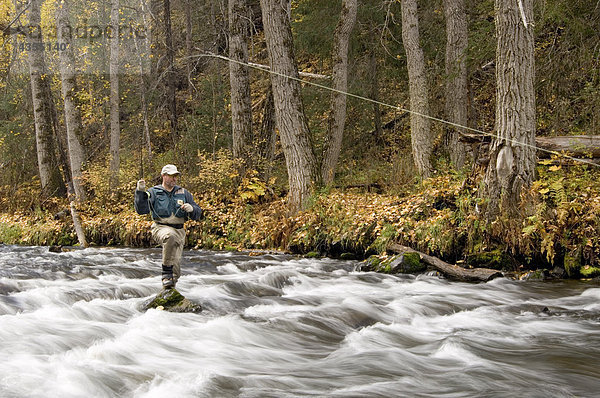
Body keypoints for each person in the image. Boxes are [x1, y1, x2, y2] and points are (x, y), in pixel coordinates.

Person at [134, 164, 202, 289]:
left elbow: (198, 213)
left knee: (175, 273)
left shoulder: (184, 193)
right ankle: (165, 274)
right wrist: (140, 192)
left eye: (176, 176)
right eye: (171, 176)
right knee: (169, 236)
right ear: (163, 176)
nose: (174, 179)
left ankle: (167, 295)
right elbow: (142, 210)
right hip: (160, 228)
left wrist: (192, 209)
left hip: (180, 231)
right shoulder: (153, 192)